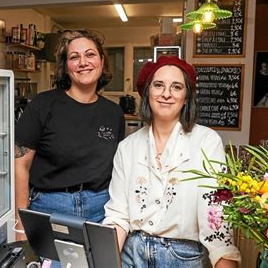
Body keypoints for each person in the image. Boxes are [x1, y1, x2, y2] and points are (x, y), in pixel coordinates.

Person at [103, 56, 241, 268]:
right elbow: (118, 215)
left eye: (176, 87)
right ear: (147, 92)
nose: (166, 94)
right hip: (132, 255)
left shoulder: (207, 142)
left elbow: (215, 216)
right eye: (158, 85)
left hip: (184, 258)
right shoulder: (127, 147)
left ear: (186, 97)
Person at [14, 29, 125, 242]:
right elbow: (20, 165)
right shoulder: (42, 105)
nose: (83, 62)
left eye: (90, 55)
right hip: (50, 208)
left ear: (102, 61)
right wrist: (21, 226)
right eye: (74, 57)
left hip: (101, 210)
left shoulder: (114, 113)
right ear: (66, 66)